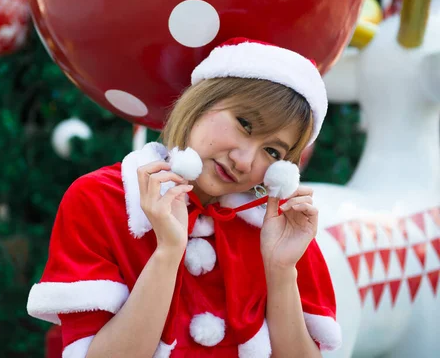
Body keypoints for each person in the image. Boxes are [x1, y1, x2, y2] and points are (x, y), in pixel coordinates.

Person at [27, 37, 341, 358]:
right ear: (202, 101)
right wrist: (168, 254)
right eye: (244, 124)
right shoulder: (101, 199)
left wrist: (281, 270)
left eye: (272, 151)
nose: (245, 161)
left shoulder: (273, 227)